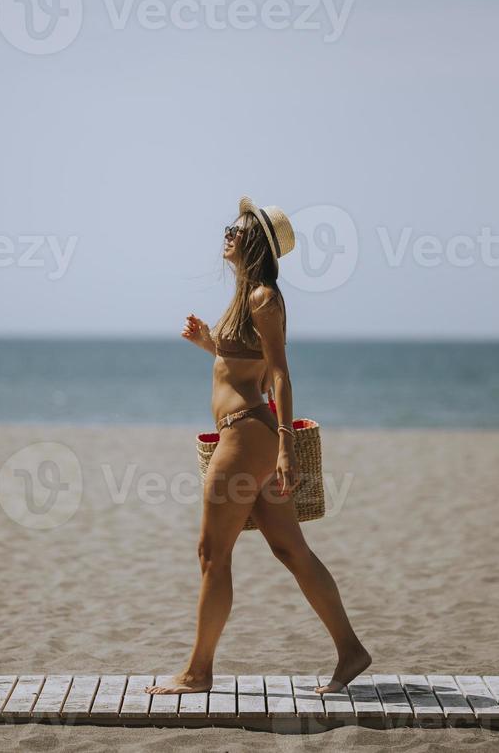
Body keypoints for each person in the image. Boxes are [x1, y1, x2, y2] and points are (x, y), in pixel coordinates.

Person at [145, 195, 370, 697]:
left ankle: (198, 672)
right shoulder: (245, 296)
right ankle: (351, 651)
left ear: (256, 245)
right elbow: (245, 367)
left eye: (237, 229)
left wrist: (286, 444)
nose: (226, 233)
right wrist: (209, 342)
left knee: (211, 553)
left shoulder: (263, 297)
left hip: (247, 436)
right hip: (247, 435)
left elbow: (280, 374)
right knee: (291, 549)